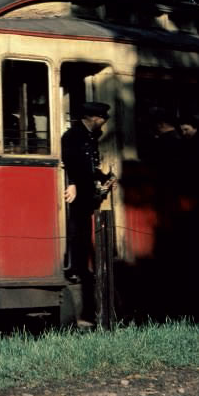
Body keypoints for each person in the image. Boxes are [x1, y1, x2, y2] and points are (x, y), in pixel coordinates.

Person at [61, 102, 114, 320]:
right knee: (76, 228)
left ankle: (81, 266)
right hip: (78, 190)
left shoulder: (88, 136)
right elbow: (71, 162)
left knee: (83, 228)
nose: (103, 123)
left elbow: (90, 166)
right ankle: (75, 267)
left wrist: (104, 178)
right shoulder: (73, 136)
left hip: (85, 190)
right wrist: (72, 182)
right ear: (93, 118)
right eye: (102, 119)